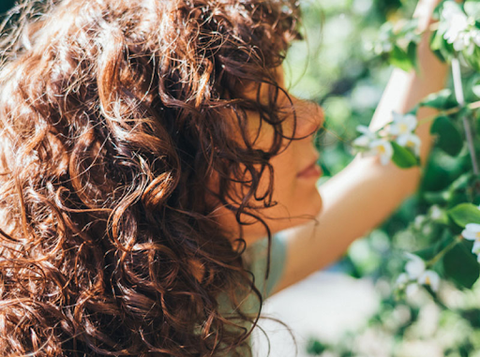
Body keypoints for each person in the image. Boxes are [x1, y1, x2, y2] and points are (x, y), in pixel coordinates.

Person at [0, 0, 446, 355]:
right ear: (162, 167)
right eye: (262, 108)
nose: (313, 116)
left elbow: (385, 172)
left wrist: (440, 15)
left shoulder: (214, 284)